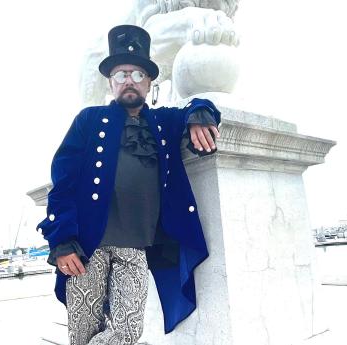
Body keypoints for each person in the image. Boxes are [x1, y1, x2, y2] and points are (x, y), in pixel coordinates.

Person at [37, 24, 220, 345]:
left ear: (149, 82)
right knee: (83, 333)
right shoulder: (89, 120)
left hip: (135, 248)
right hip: (86, 249)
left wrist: (201, 115)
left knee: (128, 330)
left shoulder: (163, 122)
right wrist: (62, 241)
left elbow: (198, 104)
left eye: (137, 74)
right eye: (121, 74)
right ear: (111, 82)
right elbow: (62, 183)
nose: (129, 81)